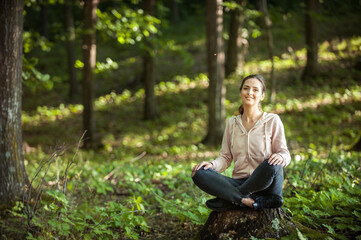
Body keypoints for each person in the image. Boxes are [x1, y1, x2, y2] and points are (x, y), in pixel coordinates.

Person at [191, 74, 291, 211]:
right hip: (240, 181)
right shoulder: (232, 123)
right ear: (241, 92)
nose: (250, 92)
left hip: (266, 184)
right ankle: (244, 200)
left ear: (262, 96)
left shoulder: (272, 120)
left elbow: (284, 154)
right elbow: (225, 158)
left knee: (272, 164)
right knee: (199, 173)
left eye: (255, 90)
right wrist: (212, 165)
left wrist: (280, 157)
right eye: (246, 88)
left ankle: (227, 200)